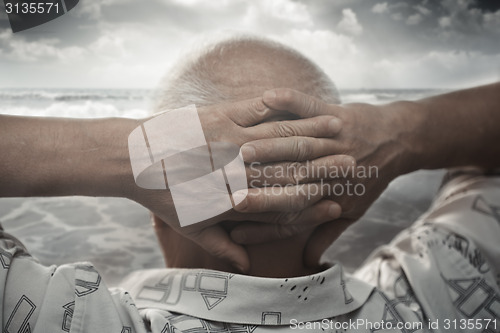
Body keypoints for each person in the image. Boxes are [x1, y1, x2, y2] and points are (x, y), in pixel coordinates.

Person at [0, 34, 499, 333]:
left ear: (159, 211)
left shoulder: (60, 317)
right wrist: (396, 133)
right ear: (343, 197)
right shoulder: (446, 295)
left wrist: (139, 155)